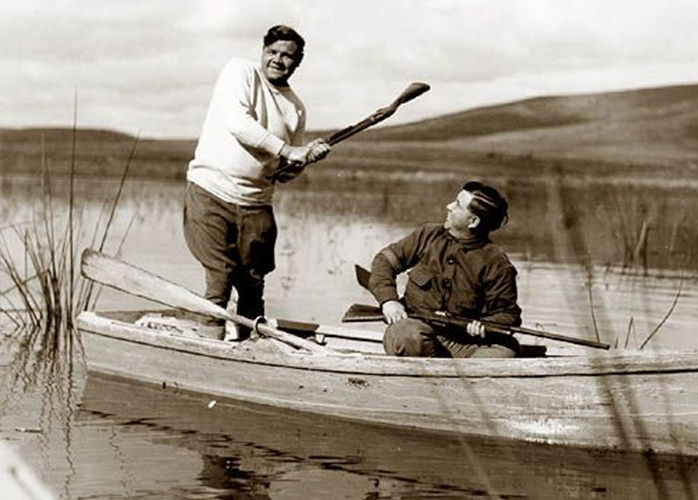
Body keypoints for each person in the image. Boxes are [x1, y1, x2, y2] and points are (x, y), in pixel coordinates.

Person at [183, 25, 330, 339]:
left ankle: (248, 350)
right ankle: (209, 344)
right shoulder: (240, 72)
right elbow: (238, 124)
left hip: (256, 203)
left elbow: (286, 171)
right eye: (272, 52)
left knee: (252, 283)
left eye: (287, 56)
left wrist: (303, 159)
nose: (277, 60)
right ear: (262, 52)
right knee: (220, 278)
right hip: (212, 190)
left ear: (297, 63)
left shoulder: (296, 107)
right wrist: (288, 149)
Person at [367, 180, 522, 358]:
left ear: (473, 221)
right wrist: (389, 301)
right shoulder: (428, 235)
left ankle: (449, 372)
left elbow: (507, 314)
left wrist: (485, 326)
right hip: (418, 333)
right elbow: (384, 262)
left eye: (457, 205)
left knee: (505, 353)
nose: (448, 207)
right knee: (405, 335)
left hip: (464, 344)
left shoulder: (497, 262)